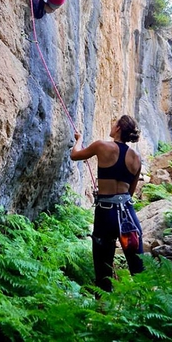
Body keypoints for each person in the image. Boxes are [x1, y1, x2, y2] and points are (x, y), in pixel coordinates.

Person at [71, 115, 144, 292]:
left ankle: (103, 311)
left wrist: (79, 139)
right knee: (139, 270)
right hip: (127, 216)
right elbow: (130, 193)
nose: (112, 125)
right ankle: (147, 310)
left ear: (118, 128)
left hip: (106, 214)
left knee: (103, 272)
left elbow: (75, 155)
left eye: (114, 123)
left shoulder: (101, 146)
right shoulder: (136, 158)